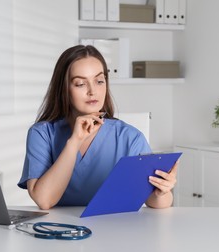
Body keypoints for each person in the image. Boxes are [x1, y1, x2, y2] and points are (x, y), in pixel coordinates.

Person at [18, 45, 178, 210]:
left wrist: (162, 192)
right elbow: (44, 200)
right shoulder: (42, 133)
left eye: (99, 81)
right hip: (60, 231)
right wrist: (74, 142)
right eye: (80, 84)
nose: (92, 91)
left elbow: (154, 200)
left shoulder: (130, 137)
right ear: (63, 89)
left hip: (114, 229)